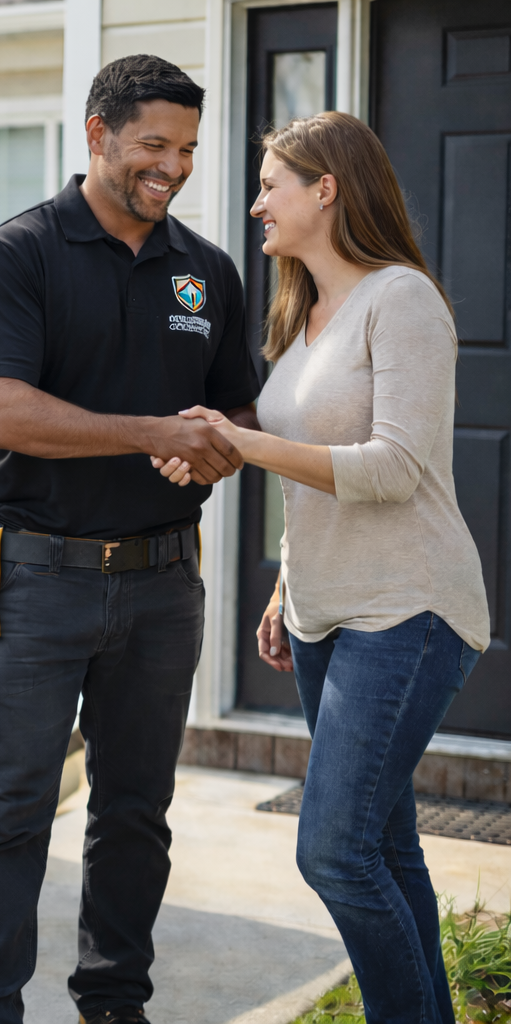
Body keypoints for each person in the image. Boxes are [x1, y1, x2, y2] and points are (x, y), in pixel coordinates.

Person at [0, 54, 262, 1024]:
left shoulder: (207, 270)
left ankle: (115, 999)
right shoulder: (21, 254)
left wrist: (211, 453)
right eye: (154, 145)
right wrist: (153, 432)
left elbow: (234, 418)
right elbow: (2, 414)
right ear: (98, 134)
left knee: (135, 814)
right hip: (34, 579)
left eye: (189, 149)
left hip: (164, 583)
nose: (173, 166)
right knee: (8, 814)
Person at [157, 111, 489, 1024]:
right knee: (385, 842)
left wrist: (242, 442)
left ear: (326, 188)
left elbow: (392, 468)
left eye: (271, 184)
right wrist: (285, 579)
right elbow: (307, 464)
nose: (256, 202)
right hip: (323, 612)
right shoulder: (300, 316)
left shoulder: (402, 300)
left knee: (335, 852)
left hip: (409, 607)